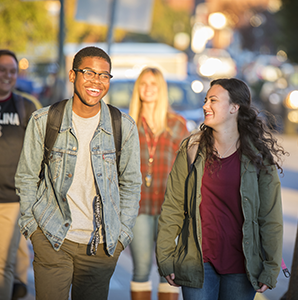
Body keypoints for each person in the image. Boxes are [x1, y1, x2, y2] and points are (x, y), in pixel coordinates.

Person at [15, 46, 142, 300]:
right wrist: (33, 229)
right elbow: (27, 176)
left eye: (104, 75)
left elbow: (131, 184)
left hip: (101, 247)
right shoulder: (44, 120)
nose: (97, 81)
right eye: (89, 73)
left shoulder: (123, 126)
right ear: (73, 76)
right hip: (52, 239)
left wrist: (121, 238)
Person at [156, 78, 285, 300]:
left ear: (235, 108)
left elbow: (270, 217)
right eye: (206, 100)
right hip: (197, 262)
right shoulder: (191, 149)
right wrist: (165, 257)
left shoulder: (258, 158)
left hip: (242, 266)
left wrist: (271, 267)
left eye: (213, 100)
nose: (205, 105)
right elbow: (173, 207)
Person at [128, 67, 189, 300]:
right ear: (138, 89)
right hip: (139, 207)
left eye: (154, 84)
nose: (148, 88)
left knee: (169, 272)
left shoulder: (177, 124)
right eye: (143, 83)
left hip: (170, 210)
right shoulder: (128, 124)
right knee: (141, 269)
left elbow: (190, 167)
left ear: (161, 89)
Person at [0, 49, 39, 300]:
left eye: (12, 71)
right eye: (2, 70)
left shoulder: (26, 107)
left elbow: (37, 153)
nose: (7, 75)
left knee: (3, 263)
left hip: (11, 198)